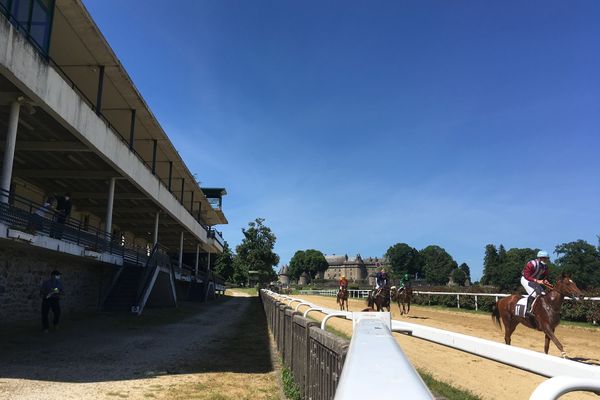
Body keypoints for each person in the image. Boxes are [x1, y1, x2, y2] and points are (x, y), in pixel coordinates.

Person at [521, 250, 551, 317]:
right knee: (534, 294)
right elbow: (526, 276)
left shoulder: (545, 267)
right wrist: (537, 281)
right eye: (545, 258)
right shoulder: (531, 264)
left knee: (544, 294)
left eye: (547, 258)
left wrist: (545, 280)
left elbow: (544, 276)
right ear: (540, 258)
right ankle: (527, 311)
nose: (546, 260)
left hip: (535, 280)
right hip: (526, 280)